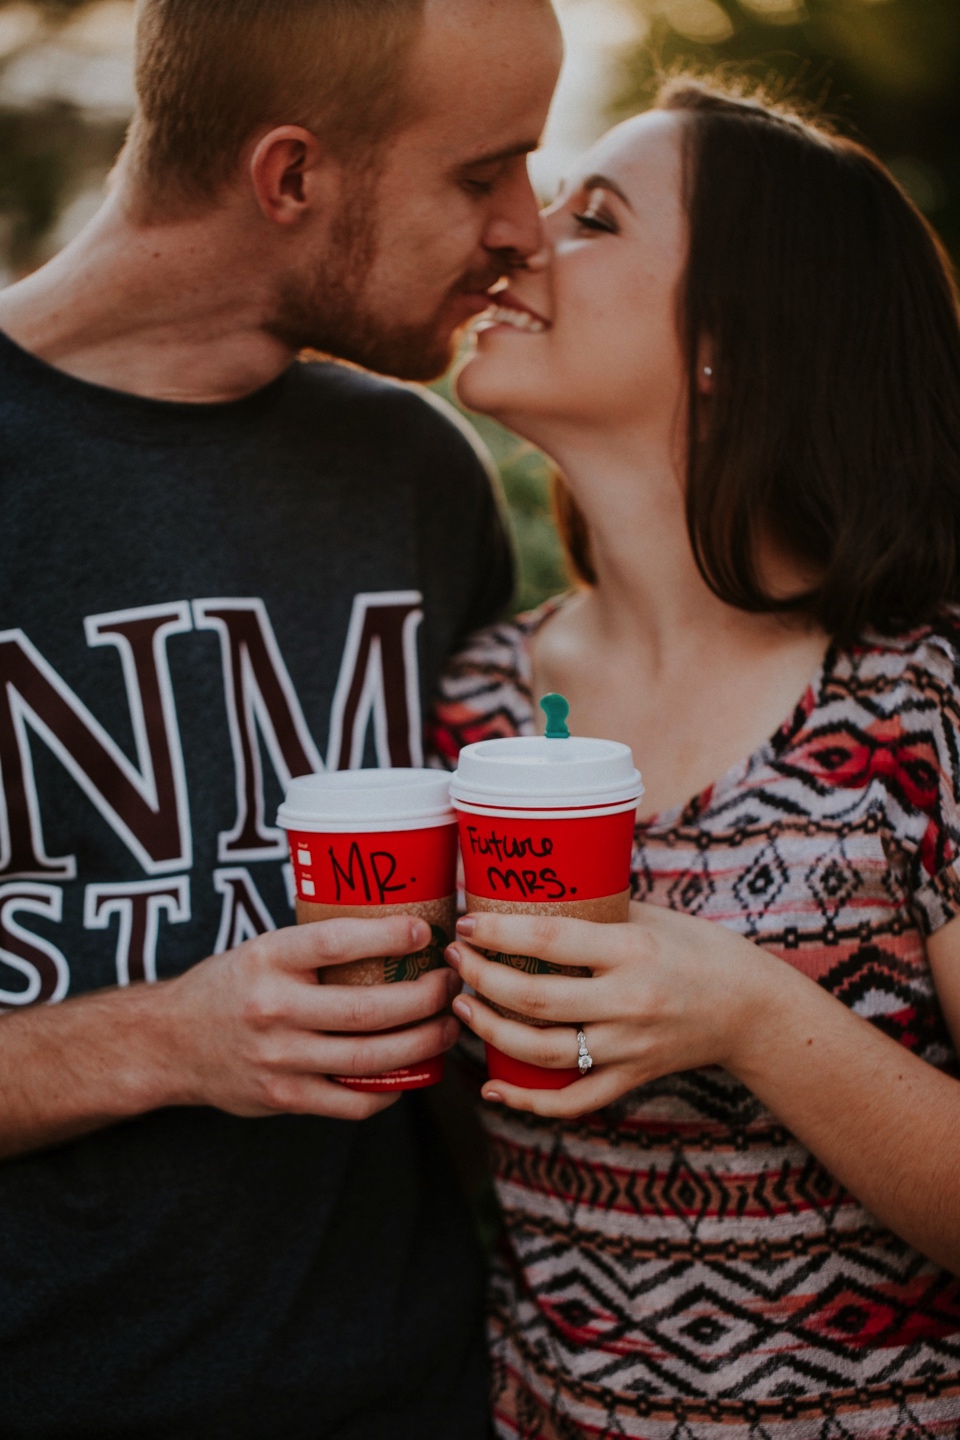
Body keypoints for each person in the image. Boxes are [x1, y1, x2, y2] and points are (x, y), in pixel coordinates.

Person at [0, 1, 563, 1436]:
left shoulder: (418, 473)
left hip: (418, 1397)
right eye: (482, 172)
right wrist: (166, 1041)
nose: (527, 229)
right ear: (292, 175)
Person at [431, 80, 960, 1438]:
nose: (516, 239)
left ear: (733, 338)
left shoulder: (927, 698)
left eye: (592, 218)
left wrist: (747, 1013)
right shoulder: (469, 706)